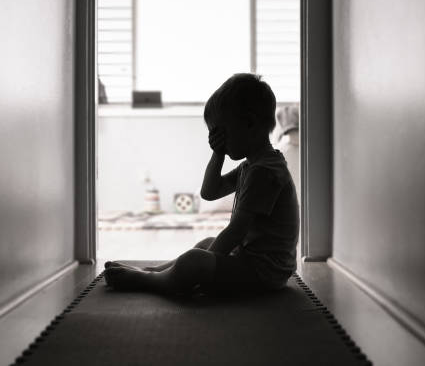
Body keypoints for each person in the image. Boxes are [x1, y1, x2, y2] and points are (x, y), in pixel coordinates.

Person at [104, 73, 300, 296]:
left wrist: (207, 264)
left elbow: (236, 231)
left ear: (249, 123)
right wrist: (218, 154)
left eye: (222, 133)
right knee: (206, 243)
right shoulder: (252, 165)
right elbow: (210, 192)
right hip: (253, 262)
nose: (219, 140)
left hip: (264, 273)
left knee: (196, 260)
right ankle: (154, 271)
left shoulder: (265, 172)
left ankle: (151, 281)